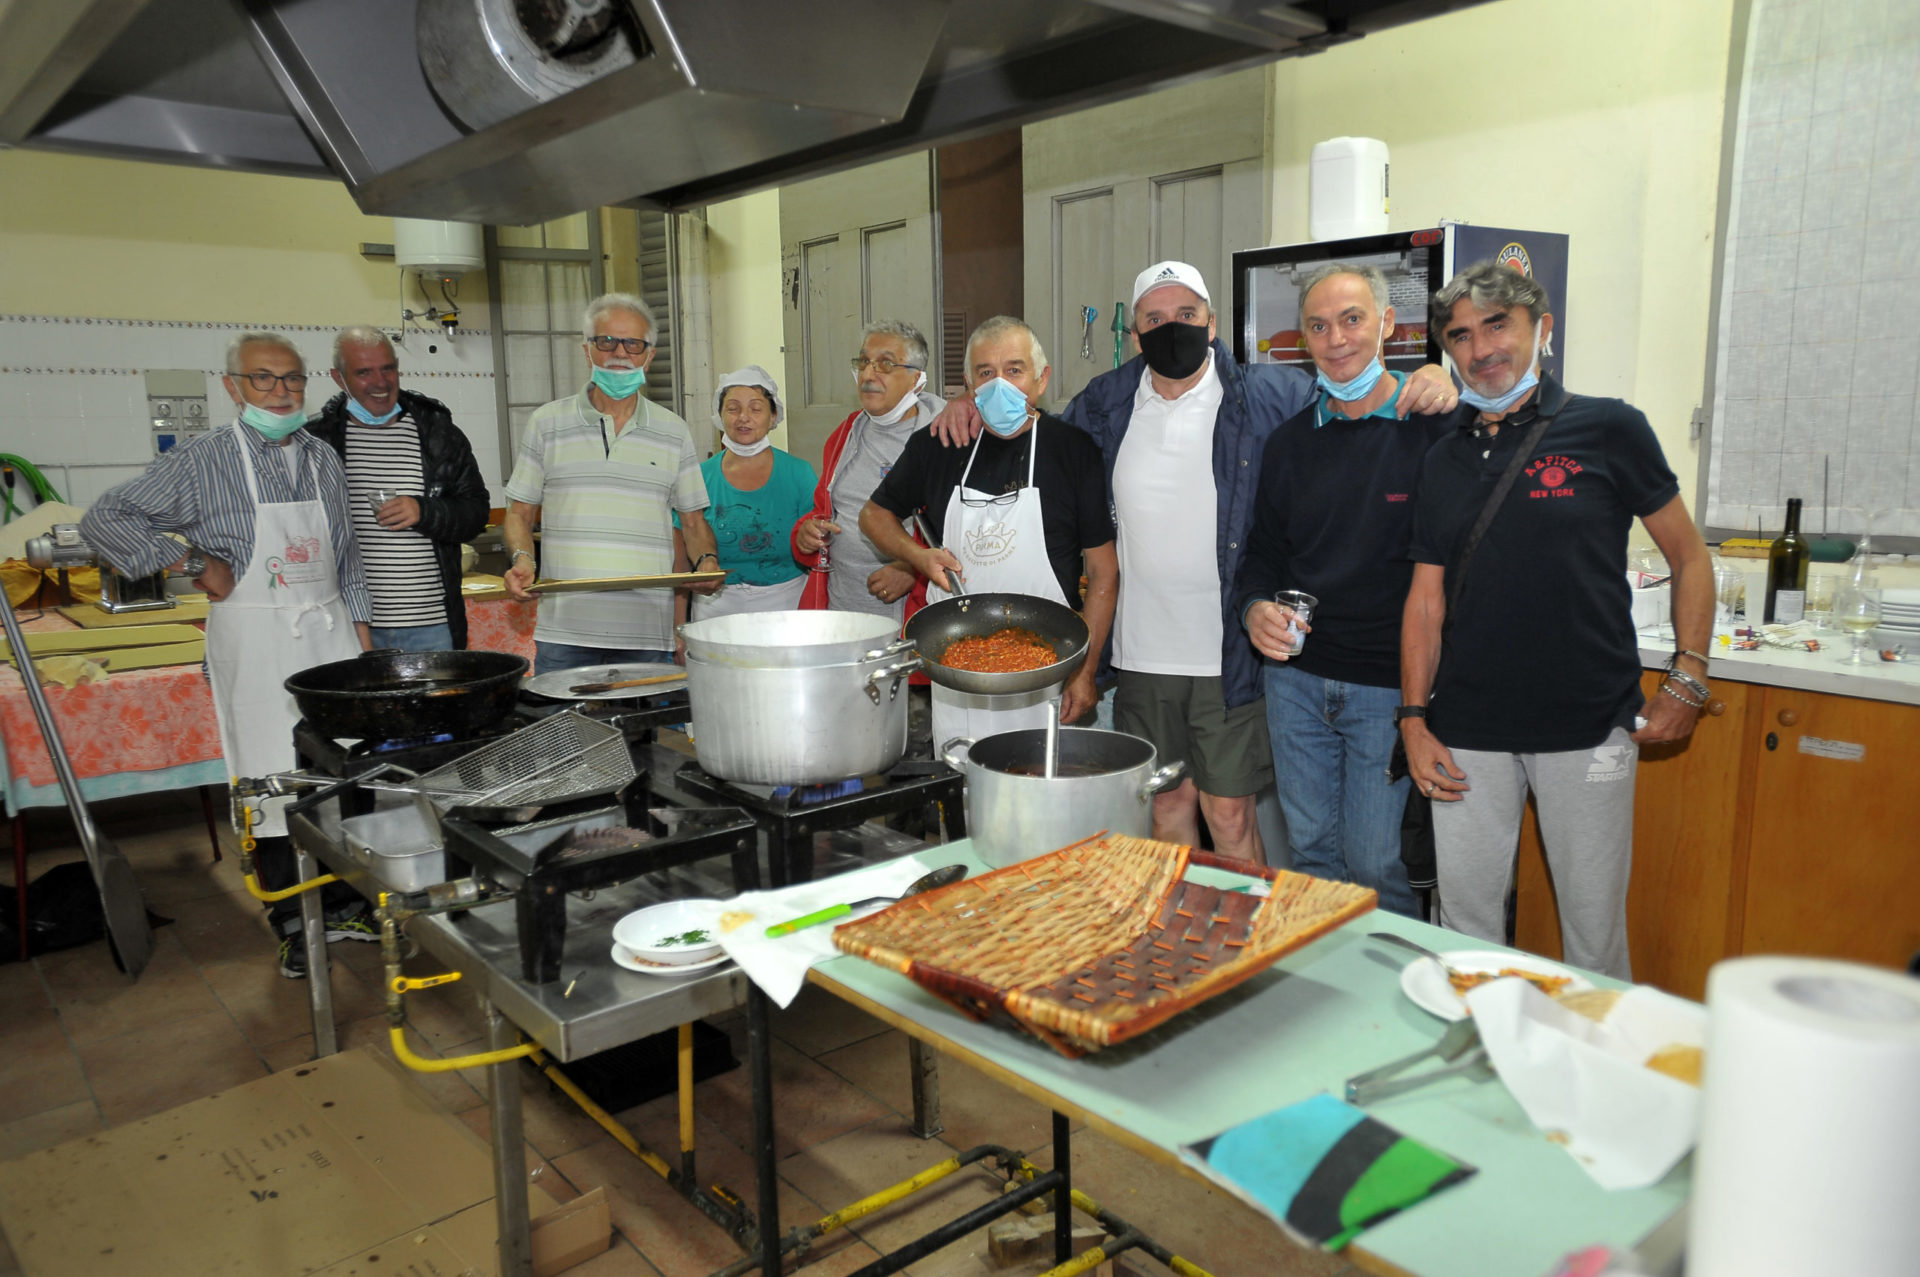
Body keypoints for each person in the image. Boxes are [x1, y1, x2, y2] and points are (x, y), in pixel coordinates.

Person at [933, 262, 1457, 862]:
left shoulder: (1270, 394)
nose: (1170, 328)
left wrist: (1434, 380)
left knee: (1230, 813)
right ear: (1134, 335)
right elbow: (1030, 434)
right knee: (1163, 804)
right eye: (1153, 319)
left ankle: (1241, 941)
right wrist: (967, 402)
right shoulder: (1105, 402)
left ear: (1212, 323)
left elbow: (1356, 395)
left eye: (1186, 314)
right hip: (1140, 650)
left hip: (1229, 651)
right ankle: (1181, 933)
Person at [1398, 262, 1713, 979]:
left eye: (1497, 325)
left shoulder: (1609, 427)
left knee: (1593, 938)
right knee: (1465, 935)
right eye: (1461, 336)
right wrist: (1414, 720)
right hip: (1467, 731)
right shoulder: (1443, 457)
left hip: (1585, 724)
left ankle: (1598, 1079)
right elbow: (1424, 600)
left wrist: (1687, 676)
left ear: (1542, 327)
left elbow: (1691, 557)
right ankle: (1478, 1072)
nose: (1481, 349)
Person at [82, 331, 374, 978]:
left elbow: (348, 557)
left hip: (329, 634)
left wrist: (363, 642)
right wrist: (189, 561)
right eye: (265, 379)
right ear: (232, 386)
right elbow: (106, 517)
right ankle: (294, 922)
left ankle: (348, 904)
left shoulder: (324, 458)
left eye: (293, 379)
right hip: (255, 638)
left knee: (341, 772)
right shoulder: (203, 460)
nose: (282, 392)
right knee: (272, 779)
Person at [1235, 263, 1446, 916]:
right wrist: (1253, 609)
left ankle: (1395, 1006)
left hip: (1388, 686)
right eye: (1318, 326)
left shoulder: (1433, 429)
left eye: (1352, 319)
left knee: (1376, 861)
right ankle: (1337, 1003)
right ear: (1303, 339)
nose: (1337, 339)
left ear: (1387, 323)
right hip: (1295, 684)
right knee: (1314, 855)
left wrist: (1451, 382)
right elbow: (1263, 554)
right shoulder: (1289, 444)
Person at [859, 316, 1116, 744]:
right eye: (985, 373)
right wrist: (918, 557)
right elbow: (873, 515)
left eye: (1014, 370)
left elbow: (1105, 573)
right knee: (963, 791)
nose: (999, 384)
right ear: (968, 382)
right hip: (957, 669)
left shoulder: (1074, 450)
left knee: (1041, 794)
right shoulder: (939, 444)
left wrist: (1085, 672)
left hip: (1049, 666)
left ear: (1041, 379)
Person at [501, 293, 719, 676]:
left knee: (643, 736)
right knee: (567, 734)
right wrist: (523, 559)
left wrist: (708, 562)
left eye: (633, 343)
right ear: (587, 350)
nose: (620, 353)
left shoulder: (673, 431)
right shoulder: (546, 423)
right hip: (566, 632)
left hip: (645, 635)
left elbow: (694, 523)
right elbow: (519, 513)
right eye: (607, 341)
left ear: (649, 355)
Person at [308, 326, 491, 651]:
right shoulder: (319, 440)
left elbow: (476, 513)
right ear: (339, 377)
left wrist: (425, 511)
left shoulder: (438, 432)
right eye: (364, 372)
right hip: (352, 627)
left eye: (387, 368)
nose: (380, 382)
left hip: (433, 626)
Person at [791, 321, 944, 623]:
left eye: (885, 364)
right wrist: (807, 532)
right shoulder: (846, 433)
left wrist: (913, 570)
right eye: (863, 362)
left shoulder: (943, 441)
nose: (868, 374)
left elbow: (968, 534)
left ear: (917, 379)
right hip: (841, 611)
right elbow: (827, 509)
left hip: (909, 621)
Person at [674, 365, 817, 623]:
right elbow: (680, 560)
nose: (743, 417)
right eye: (733, 408)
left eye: (756, 408)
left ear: (773, 417)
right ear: (720, 416)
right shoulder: (699, 477)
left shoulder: (799, 474)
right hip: (715, 608)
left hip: (787, 604)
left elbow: (818, 550)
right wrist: (678, 628)